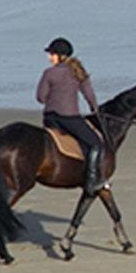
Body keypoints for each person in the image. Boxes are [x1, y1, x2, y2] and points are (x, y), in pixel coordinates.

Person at [37, 37, 105, 196]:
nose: (49, 57)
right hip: (69, 118)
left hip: (49, 119)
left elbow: (40, 98)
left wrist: (53, 98)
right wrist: (94, 108)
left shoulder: (48, 73)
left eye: (51, 54)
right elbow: (89, 94)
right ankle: (91, 180)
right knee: (96, 143)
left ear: (60, 55)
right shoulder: (78, 71)